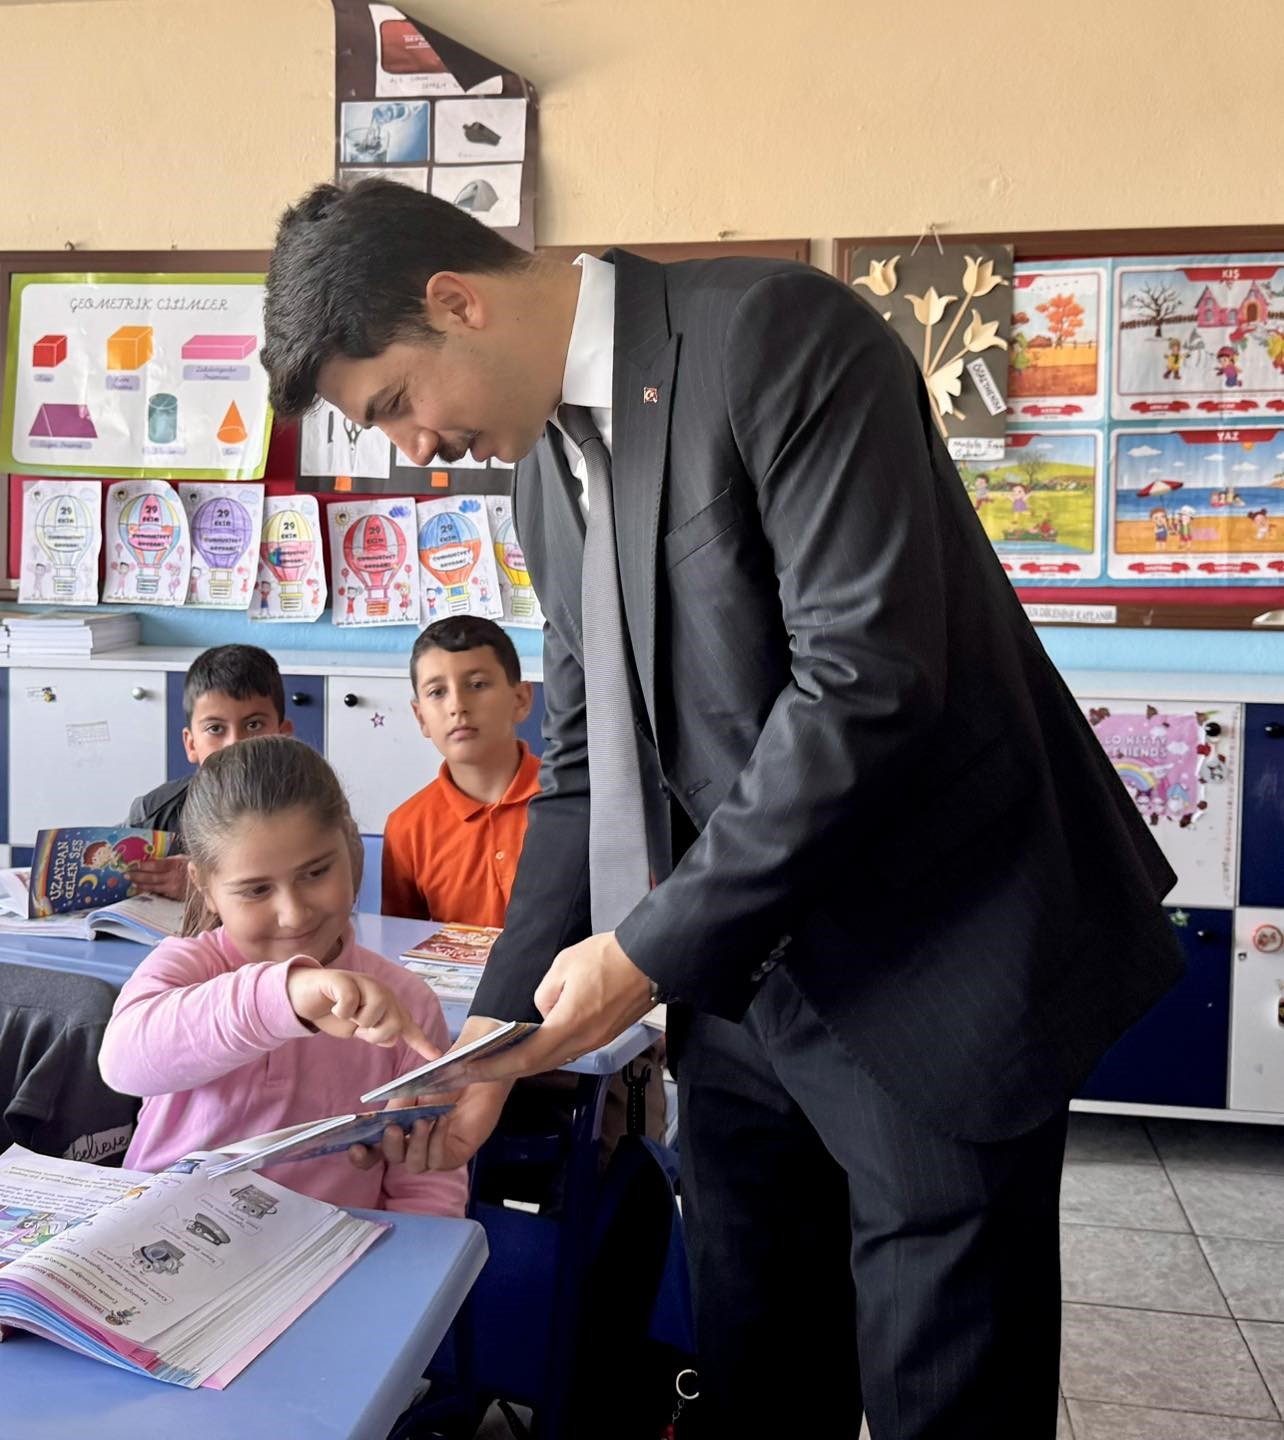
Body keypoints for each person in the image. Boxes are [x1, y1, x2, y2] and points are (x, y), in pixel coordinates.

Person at [260, 178, 1184, 1437]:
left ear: (453, 300)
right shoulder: (546, 475)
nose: (412, 449)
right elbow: (583, 761)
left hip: (933, 967)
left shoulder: (773, 334)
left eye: (395, 406)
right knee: (759, 1369)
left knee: (944, 1395)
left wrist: (643, 953)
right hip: (744, 987)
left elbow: (866, 680)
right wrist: (488, 1048)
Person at [99, 735, 467, 1217]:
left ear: (350, 849)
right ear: (204, 888)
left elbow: (426, 1184)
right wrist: (285, 996)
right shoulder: (189, 965)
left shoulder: (407, 1005)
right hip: (163, 1251)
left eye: (316, 873)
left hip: (333, 1260)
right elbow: (124, 1063)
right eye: (255, 890)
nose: (293, 915)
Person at [382, 615, 538, 927]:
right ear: (421, 717)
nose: (458, 706)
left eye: (477, 685)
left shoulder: (576, 804)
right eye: (438, 692)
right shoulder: (407, 829)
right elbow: (399, 943)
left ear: (520, 699)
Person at [127, 644, 293, 900]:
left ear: (283, 736)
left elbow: (335, 892)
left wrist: (208, 885)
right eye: (216, 729)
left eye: (254, 724)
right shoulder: (154, 813)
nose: (235, 744)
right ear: (191, 744)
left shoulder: (312, 807)